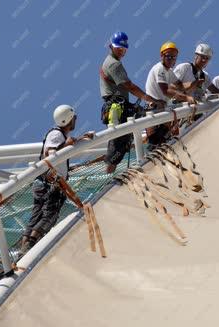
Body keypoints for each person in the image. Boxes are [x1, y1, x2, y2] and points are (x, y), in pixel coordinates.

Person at [19, 104, 94, 256]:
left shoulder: (59, 135)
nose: (76, 120)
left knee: (37, 215)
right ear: (69, 120)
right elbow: (50, 153)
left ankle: (23, 249)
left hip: (44, 182)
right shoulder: (56, 134)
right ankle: (30, 246)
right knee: (49, 214)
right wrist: (67, 143)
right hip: (50, 184)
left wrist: (79, 139)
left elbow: (58, 151)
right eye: (74, 118)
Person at [99, 31, 165, 173]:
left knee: (148, 117)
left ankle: (154, 145)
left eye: (124, 49)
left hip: (122, 106)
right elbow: (129, 86)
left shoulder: (112, 62)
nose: (122, 51)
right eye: (119, 48)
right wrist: (149, 98)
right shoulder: (114, 64)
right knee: (118, 145)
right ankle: (108, 177)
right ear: (111, 46)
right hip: (118, 107)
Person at [145, 41, 196, 147]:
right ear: (162, 56)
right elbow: (166, 91)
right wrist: (186, 98)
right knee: (155, 141)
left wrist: (194, 83)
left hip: (161, 107)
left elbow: (180, 85)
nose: (171, 60)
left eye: (174, 57)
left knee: (165, 139)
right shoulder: (160, 69)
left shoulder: (169, 71)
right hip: (154, 108)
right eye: (168, 56)